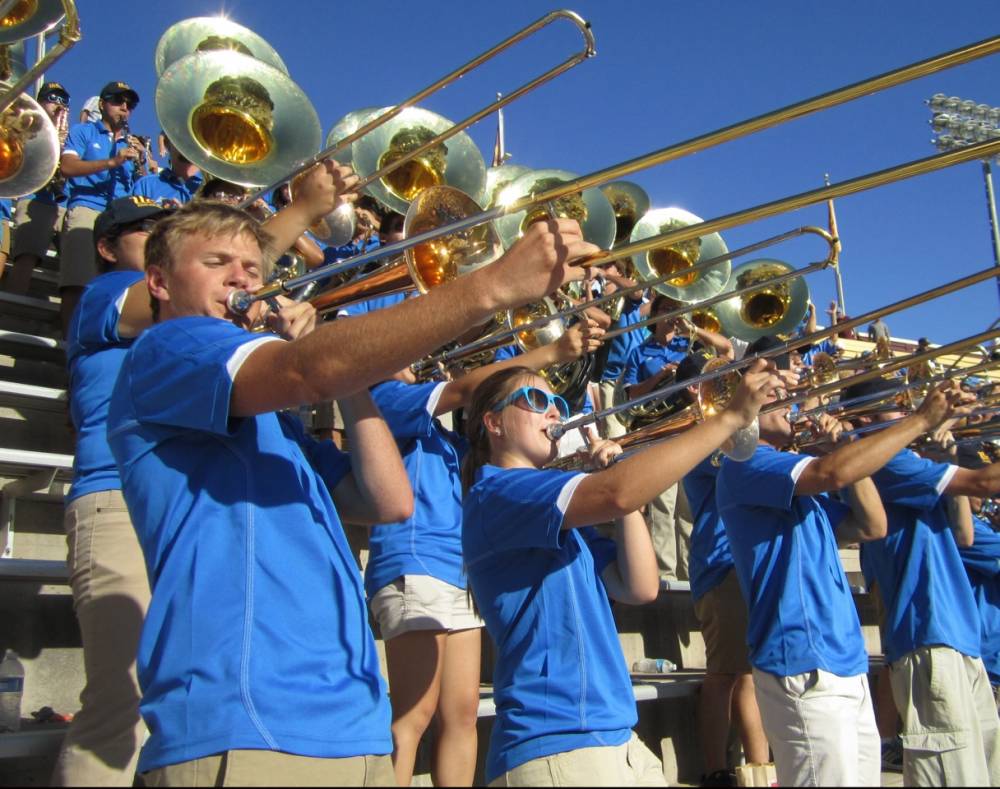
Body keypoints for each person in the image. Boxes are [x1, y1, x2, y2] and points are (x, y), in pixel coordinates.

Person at [106, 162, 602, 785]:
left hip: (349, 725)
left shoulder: (275, 429)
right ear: (158, 281)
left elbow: (390, 501)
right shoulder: (166, 349)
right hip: (247, 720)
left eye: (254, 268)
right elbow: (304, 371)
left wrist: (352, 382)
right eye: (216, 264)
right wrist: (491, 287)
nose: (243, 279)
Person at [460, 357, 780, 786]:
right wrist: (728, 419)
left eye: (557, 400)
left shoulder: (557, 515)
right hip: (556, 741)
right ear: (493, 424)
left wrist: (620, 487)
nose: (556, 410)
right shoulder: (495, 492)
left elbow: (640, 587)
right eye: (537, 400)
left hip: (613, 734)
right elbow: (617, 494)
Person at [368, 322, 603, 786]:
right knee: (413, 716)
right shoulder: (383, 398)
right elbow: (466, 389)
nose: (412, 354)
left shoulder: (451, 436)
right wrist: (550, 352)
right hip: (417, 561)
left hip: (457, 570)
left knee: (461, 715)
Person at [715, 364, 966, 787]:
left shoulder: (796, 478)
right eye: (778, 398)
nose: (792, 405)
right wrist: (920, 421)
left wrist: (847, 443)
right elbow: (832, 474)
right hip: (802, 659)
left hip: (843, 661)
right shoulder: (745, 463)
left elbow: (871, 525)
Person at [844, 377, 1000, 786]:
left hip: (956, 634)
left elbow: (964, 534)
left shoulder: (904, 460)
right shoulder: (881, 461)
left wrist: (946, 462)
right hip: (927, 635)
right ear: (862, 420)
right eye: (896, 407)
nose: (907, 412)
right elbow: (986, 483)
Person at [674, 354, 770, 787]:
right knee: (724, 675)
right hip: (719, 561)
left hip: (742, 560)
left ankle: (760, 769)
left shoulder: (730, 425)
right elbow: (744, 460)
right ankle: (714, 769)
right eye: (720, 384)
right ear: (698, 390)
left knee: (746, 676)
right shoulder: (697, 434)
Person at [622, 295, 733, 582]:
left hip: (695, 432)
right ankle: (667, 575)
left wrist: (693, 330)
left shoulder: (691, 346)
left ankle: (690, 570)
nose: (673, 315)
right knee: (663, 507)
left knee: (689, 508)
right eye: (668, 309)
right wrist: (659, 376)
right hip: (662, 431)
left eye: (678, 309)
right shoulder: (638, 351)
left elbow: (727, 349)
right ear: (655, 315)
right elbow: (631, 395)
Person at [59, 81, 143, 334]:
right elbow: (67, 168)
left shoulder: (131, 143)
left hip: (119, 218)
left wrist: (143, 165)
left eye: (129, 104)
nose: (124, 108)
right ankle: (68, 343)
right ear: (102, 104)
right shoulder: (83, 131)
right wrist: (111, 162)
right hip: (87, 207)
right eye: (118, 101)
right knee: (77, 281)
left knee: (118, 286)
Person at [4, 82, 71, 294]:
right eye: (53, 98)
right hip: (33, 198)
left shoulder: (67, 132)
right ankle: (14, 305)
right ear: (40, 102)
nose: (58, 104)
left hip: (59, 202)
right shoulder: (25, 127)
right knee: (28, 255)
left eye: (63, 101)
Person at [131, 134, 202, 207]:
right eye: (181, 137)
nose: (187, 142)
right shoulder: (146, 185)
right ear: (167, 144)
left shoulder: (211, 185)